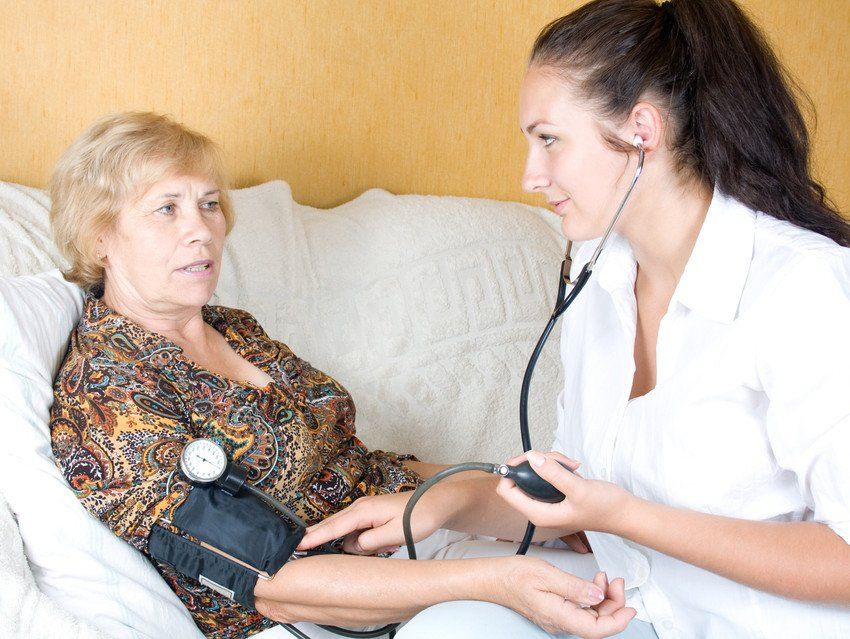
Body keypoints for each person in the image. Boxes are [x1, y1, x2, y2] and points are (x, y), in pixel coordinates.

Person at [299, 0, 850, 637]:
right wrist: (435, 506)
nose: (530, 175)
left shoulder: (803, 289)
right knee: (451, 628)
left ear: (642, 130)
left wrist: (625, 516)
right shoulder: (597, 272)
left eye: (550, 139)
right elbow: (578, 505)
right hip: (636, 619)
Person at [48, 111, 634, 639]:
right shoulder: (109, 390)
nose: (201, 229)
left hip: (421, 552)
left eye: (208, 203)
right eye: (166, 208)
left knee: (641, 584)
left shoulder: (235, 329)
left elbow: (365, 468)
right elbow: (272, 583)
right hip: (324, 616)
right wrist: (491, 580)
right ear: (100, 236)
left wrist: (544, 516)